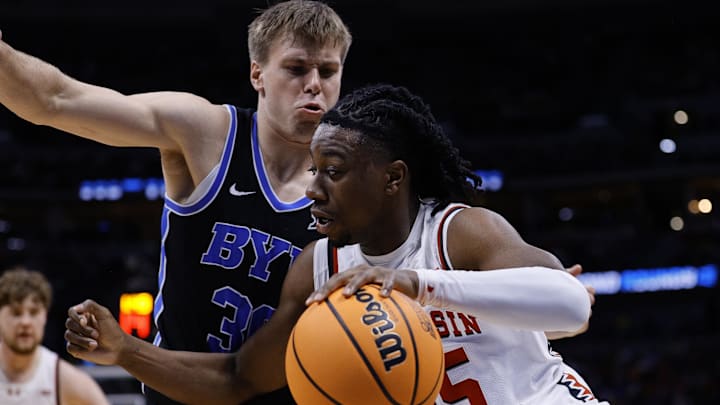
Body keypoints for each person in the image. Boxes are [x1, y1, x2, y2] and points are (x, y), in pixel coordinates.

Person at [65, 83, 605, 404]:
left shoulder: (457, 231)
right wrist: (126, 352)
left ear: (392, 178)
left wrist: (417, 285)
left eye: (334, 172)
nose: (314, 190)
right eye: (313, 170)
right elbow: (237, 378)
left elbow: (571, 304)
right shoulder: (319, 268)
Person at [0, 1, 352, 403]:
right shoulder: (207, 134)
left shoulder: (352, 186)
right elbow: (55, 100)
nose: (313, 84)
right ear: (258, 74)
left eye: (328, 71)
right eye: (296, 68)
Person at [0, 267, 110, 405]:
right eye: (16, 313)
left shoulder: (63, 378)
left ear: (45, 316)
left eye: (33, 313)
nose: (25, 322)